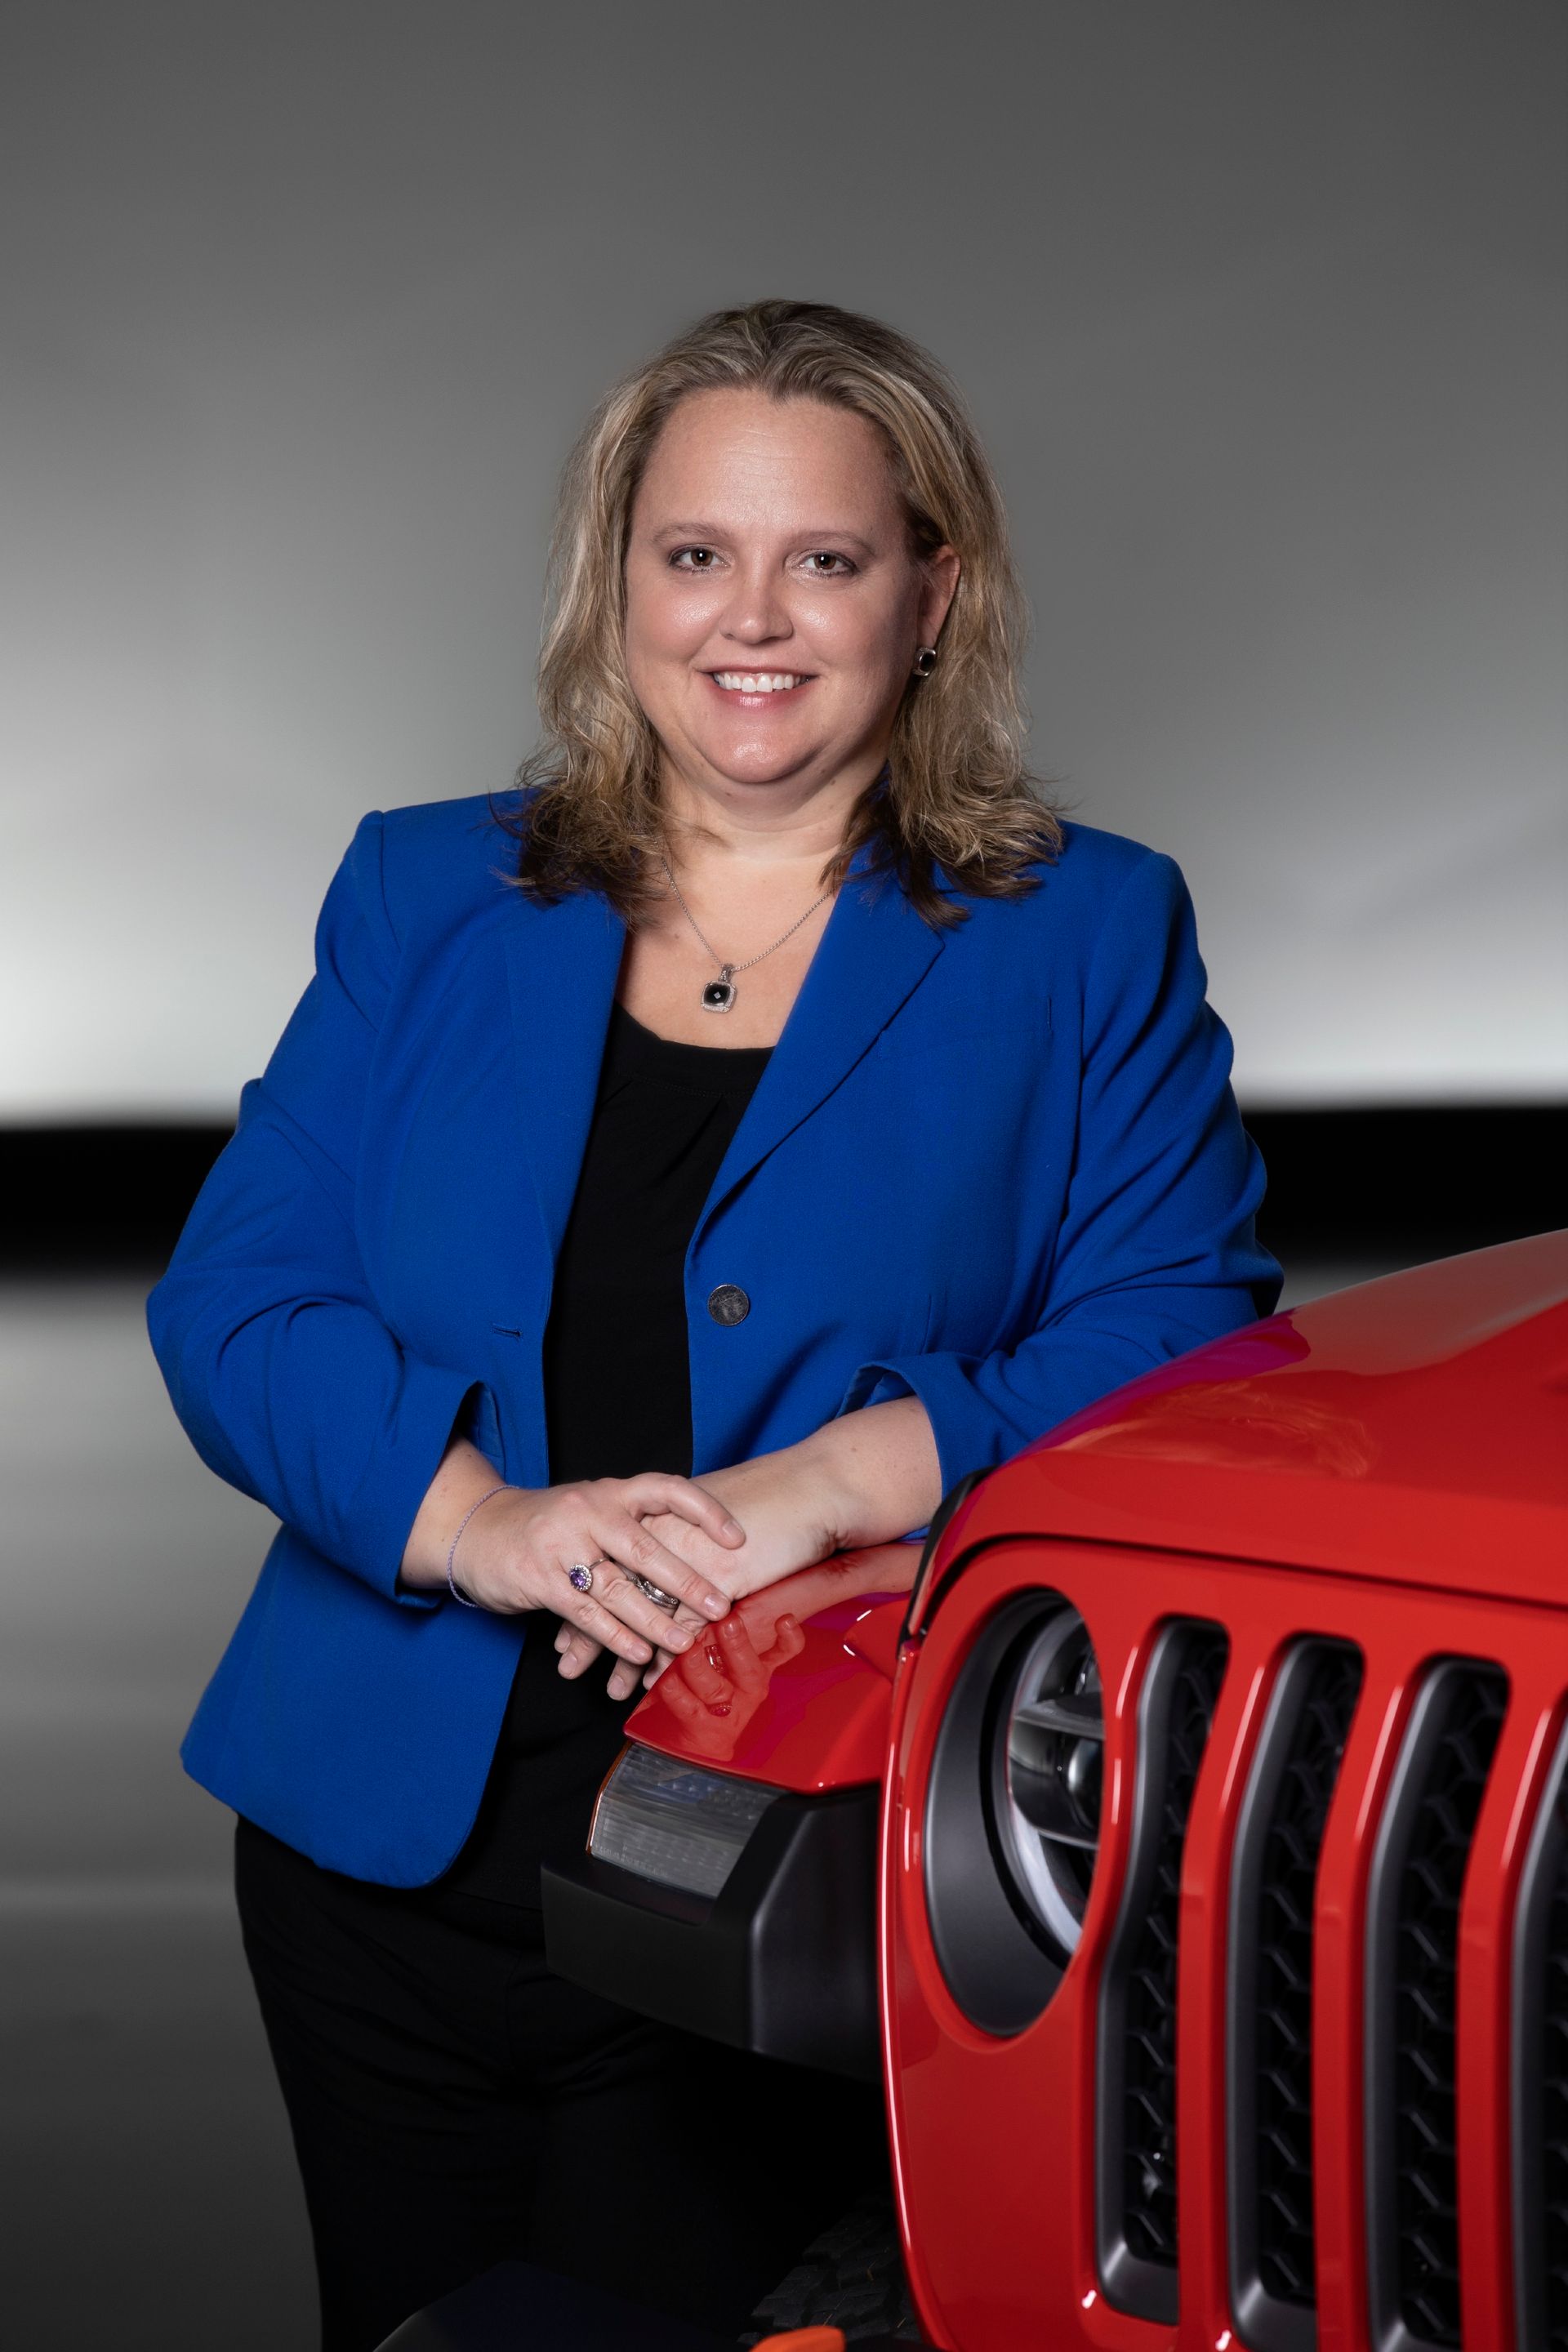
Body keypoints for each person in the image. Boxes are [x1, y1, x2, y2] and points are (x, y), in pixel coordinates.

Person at [148, 298, 1279, 2350]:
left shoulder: (1086, 932)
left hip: (790, 1872)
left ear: (932, 595)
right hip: (369, 1873)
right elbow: (238, 1297)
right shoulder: (423, 892)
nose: (751, 619)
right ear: (622, 582)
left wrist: (836, 1483)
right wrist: (478, 1522)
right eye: (695, 553)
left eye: (824, 558)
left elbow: (1186, 1331)